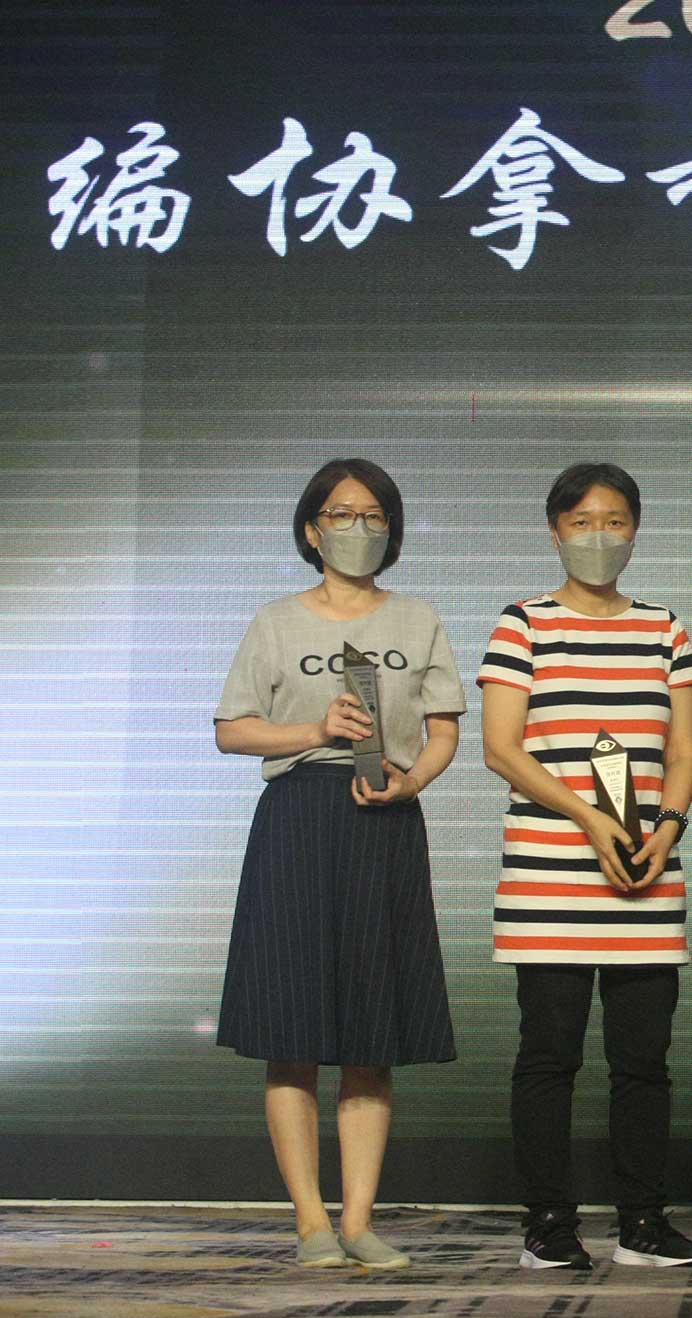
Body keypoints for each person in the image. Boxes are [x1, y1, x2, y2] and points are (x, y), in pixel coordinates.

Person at [213, 458, 463, 1271]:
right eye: (341, 513)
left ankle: (359, 1219)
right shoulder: (276, 621)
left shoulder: (418, 617)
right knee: (291, 1033)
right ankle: (311, 1220)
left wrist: (410, 782)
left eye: (373, 514)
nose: (358, 527)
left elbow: (445, 730)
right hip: (298, 817)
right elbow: (233, 729)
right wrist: (315, 730)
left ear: (393, 528)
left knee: (370, 1034)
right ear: (311, 528)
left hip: (384, 818)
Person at [477, 462, 692, 1272]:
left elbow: (684, 751)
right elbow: (501, 747)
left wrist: (668, 826)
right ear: (555, 531)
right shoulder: (523, 624)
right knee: (550, 1054)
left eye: (615, 522)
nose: (599, 536)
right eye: (582, 522)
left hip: (646, 870)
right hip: (551, 871)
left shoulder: (664, 628)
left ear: (635, 531)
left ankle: (643, 1221)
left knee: (643, 1060)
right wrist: (588, 816)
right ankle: (548, 1222)